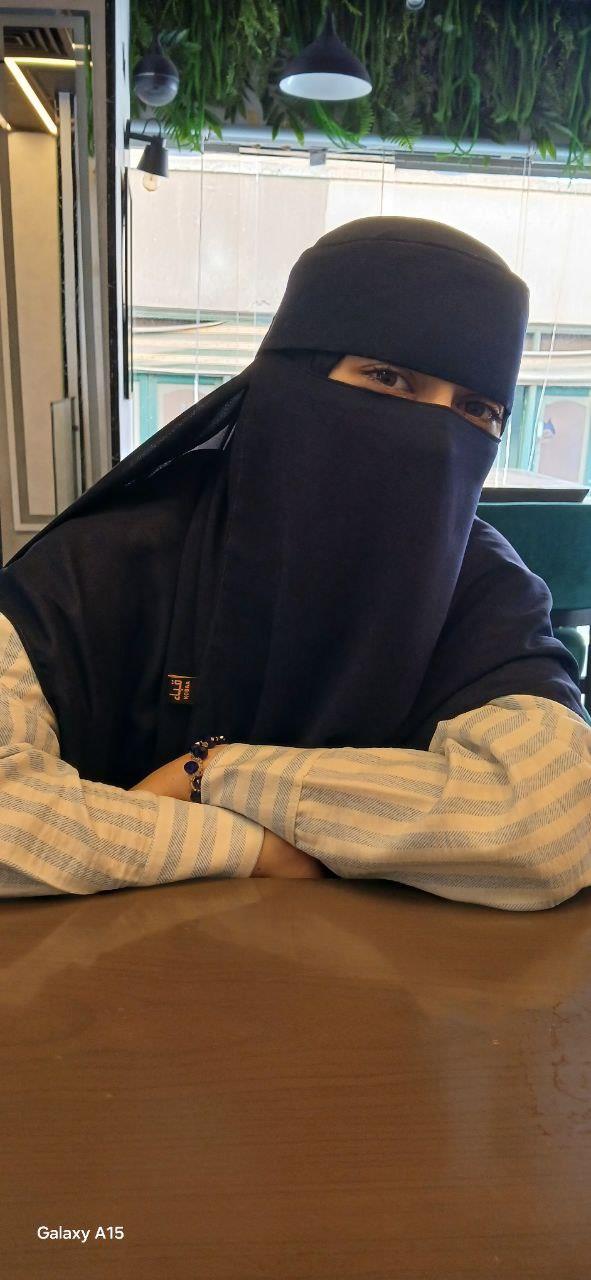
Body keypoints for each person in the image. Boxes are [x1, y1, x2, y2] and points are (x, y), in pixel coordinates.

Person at [0, 216, 589, 907]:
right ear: (292, 380)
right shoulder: (113, 559)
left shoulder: (482, 586)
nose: (433, 436)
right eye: (388, 378)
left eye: (476, 410)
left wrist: (214, 774)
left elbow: (556, 818)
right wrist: (249, 849)